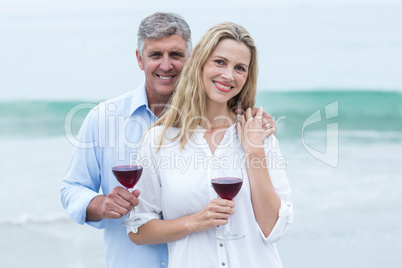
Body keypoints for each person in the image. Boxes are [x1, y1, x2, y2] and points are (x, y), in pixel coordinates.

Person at [60, 13, 276, 268]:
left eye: (175, 55)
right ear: (140, 59)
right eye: (155, 55)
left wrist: (255, 136)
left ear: (192, 58)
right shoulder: (103, 119)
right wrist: (100, 204)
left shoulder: (227, 123)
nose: (166, 65)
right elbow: (72, 188)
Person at [128, 22, 294, 268]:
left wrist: (254, 151)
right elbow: (138, 230)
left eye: (240, 68)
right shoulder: (159, 140)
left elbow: (274, 230)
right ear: (200, 63)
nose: (228, 75)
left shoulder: (259, 134)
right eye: (220, 62)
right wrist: (194, 222)